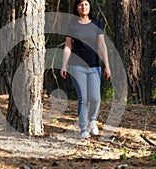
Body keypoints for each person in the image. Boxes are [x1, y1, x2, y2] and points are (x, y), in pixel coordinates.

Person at [60, 0, 111, 139]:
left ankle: (92, 121)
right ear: (77, 8)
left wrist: (107, 65)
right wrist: (64, 65)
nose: (83, 7)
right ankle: (83, 129)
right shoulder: (72, 25)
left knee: (95, 98)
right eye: (81, 5)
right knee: (83, 98)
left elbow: (102, 45)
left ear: (90, 7)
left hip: (94, 65)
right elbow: (68, 46)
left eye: (86, 4)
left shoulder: (97, 23)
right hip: (76, 66)